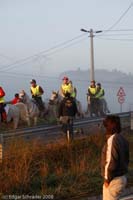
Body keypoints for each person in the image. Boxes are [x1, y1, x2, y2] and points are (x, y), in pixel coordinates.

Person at [101, 115, 129, 200]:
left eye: (106, 126)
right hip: (122, 178)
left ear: (110, 126)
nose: (105, 128)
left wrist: (107, 179)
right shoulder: (122, 139)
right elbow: (127, 159)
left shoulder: (112, 139)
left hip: (114, 180)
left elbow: (110, 161)